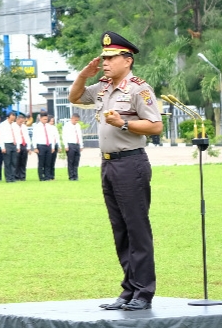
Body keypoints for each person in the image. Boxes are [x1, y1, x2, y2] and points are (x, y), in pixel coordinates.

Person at [70, 32, 163, 312]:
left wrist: (124, 123)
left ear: (127, 59)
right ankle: (128, 289)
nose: (105, 62)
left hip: (131, 163)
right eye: (104, 58)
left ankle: (144, 292)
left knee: (137, 228)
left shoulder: (138, 89)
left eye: (111, 58)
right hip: (108, 163)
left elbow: (155, 125)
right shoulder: (102, 87)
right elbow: (75, 97)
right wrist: (83, 76)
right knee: (120, 229)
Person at [34, 112, 58, 181]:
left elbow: (51, 137)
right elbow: (34, 137)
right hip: (41, 146)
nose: (45, 120)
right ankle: (41, 177)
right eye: (44, 119)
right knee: (41, 162)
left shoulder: (49, 126)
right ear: (40, 118)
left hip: (49, 145)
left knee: (48, 162)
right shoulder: (37, 127)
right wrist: (35, 147)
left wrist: (53, 147)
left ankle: (47, 176)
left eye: (46, 119)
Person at [63, 114, 84, 181]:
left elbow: (80, 136)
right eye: (75, 120)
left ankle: (76, 176)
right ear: (72, 118)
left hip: (77, 144)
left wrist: (81, 145)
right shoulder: (67, 126)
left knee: (76, 161)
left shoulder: (78, 126)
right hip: (70, 144)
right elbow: (64, 136)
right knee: (70, 161)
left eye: (77, 120)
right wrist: (66, 145)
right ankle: (71, 176)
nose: (76, 121)